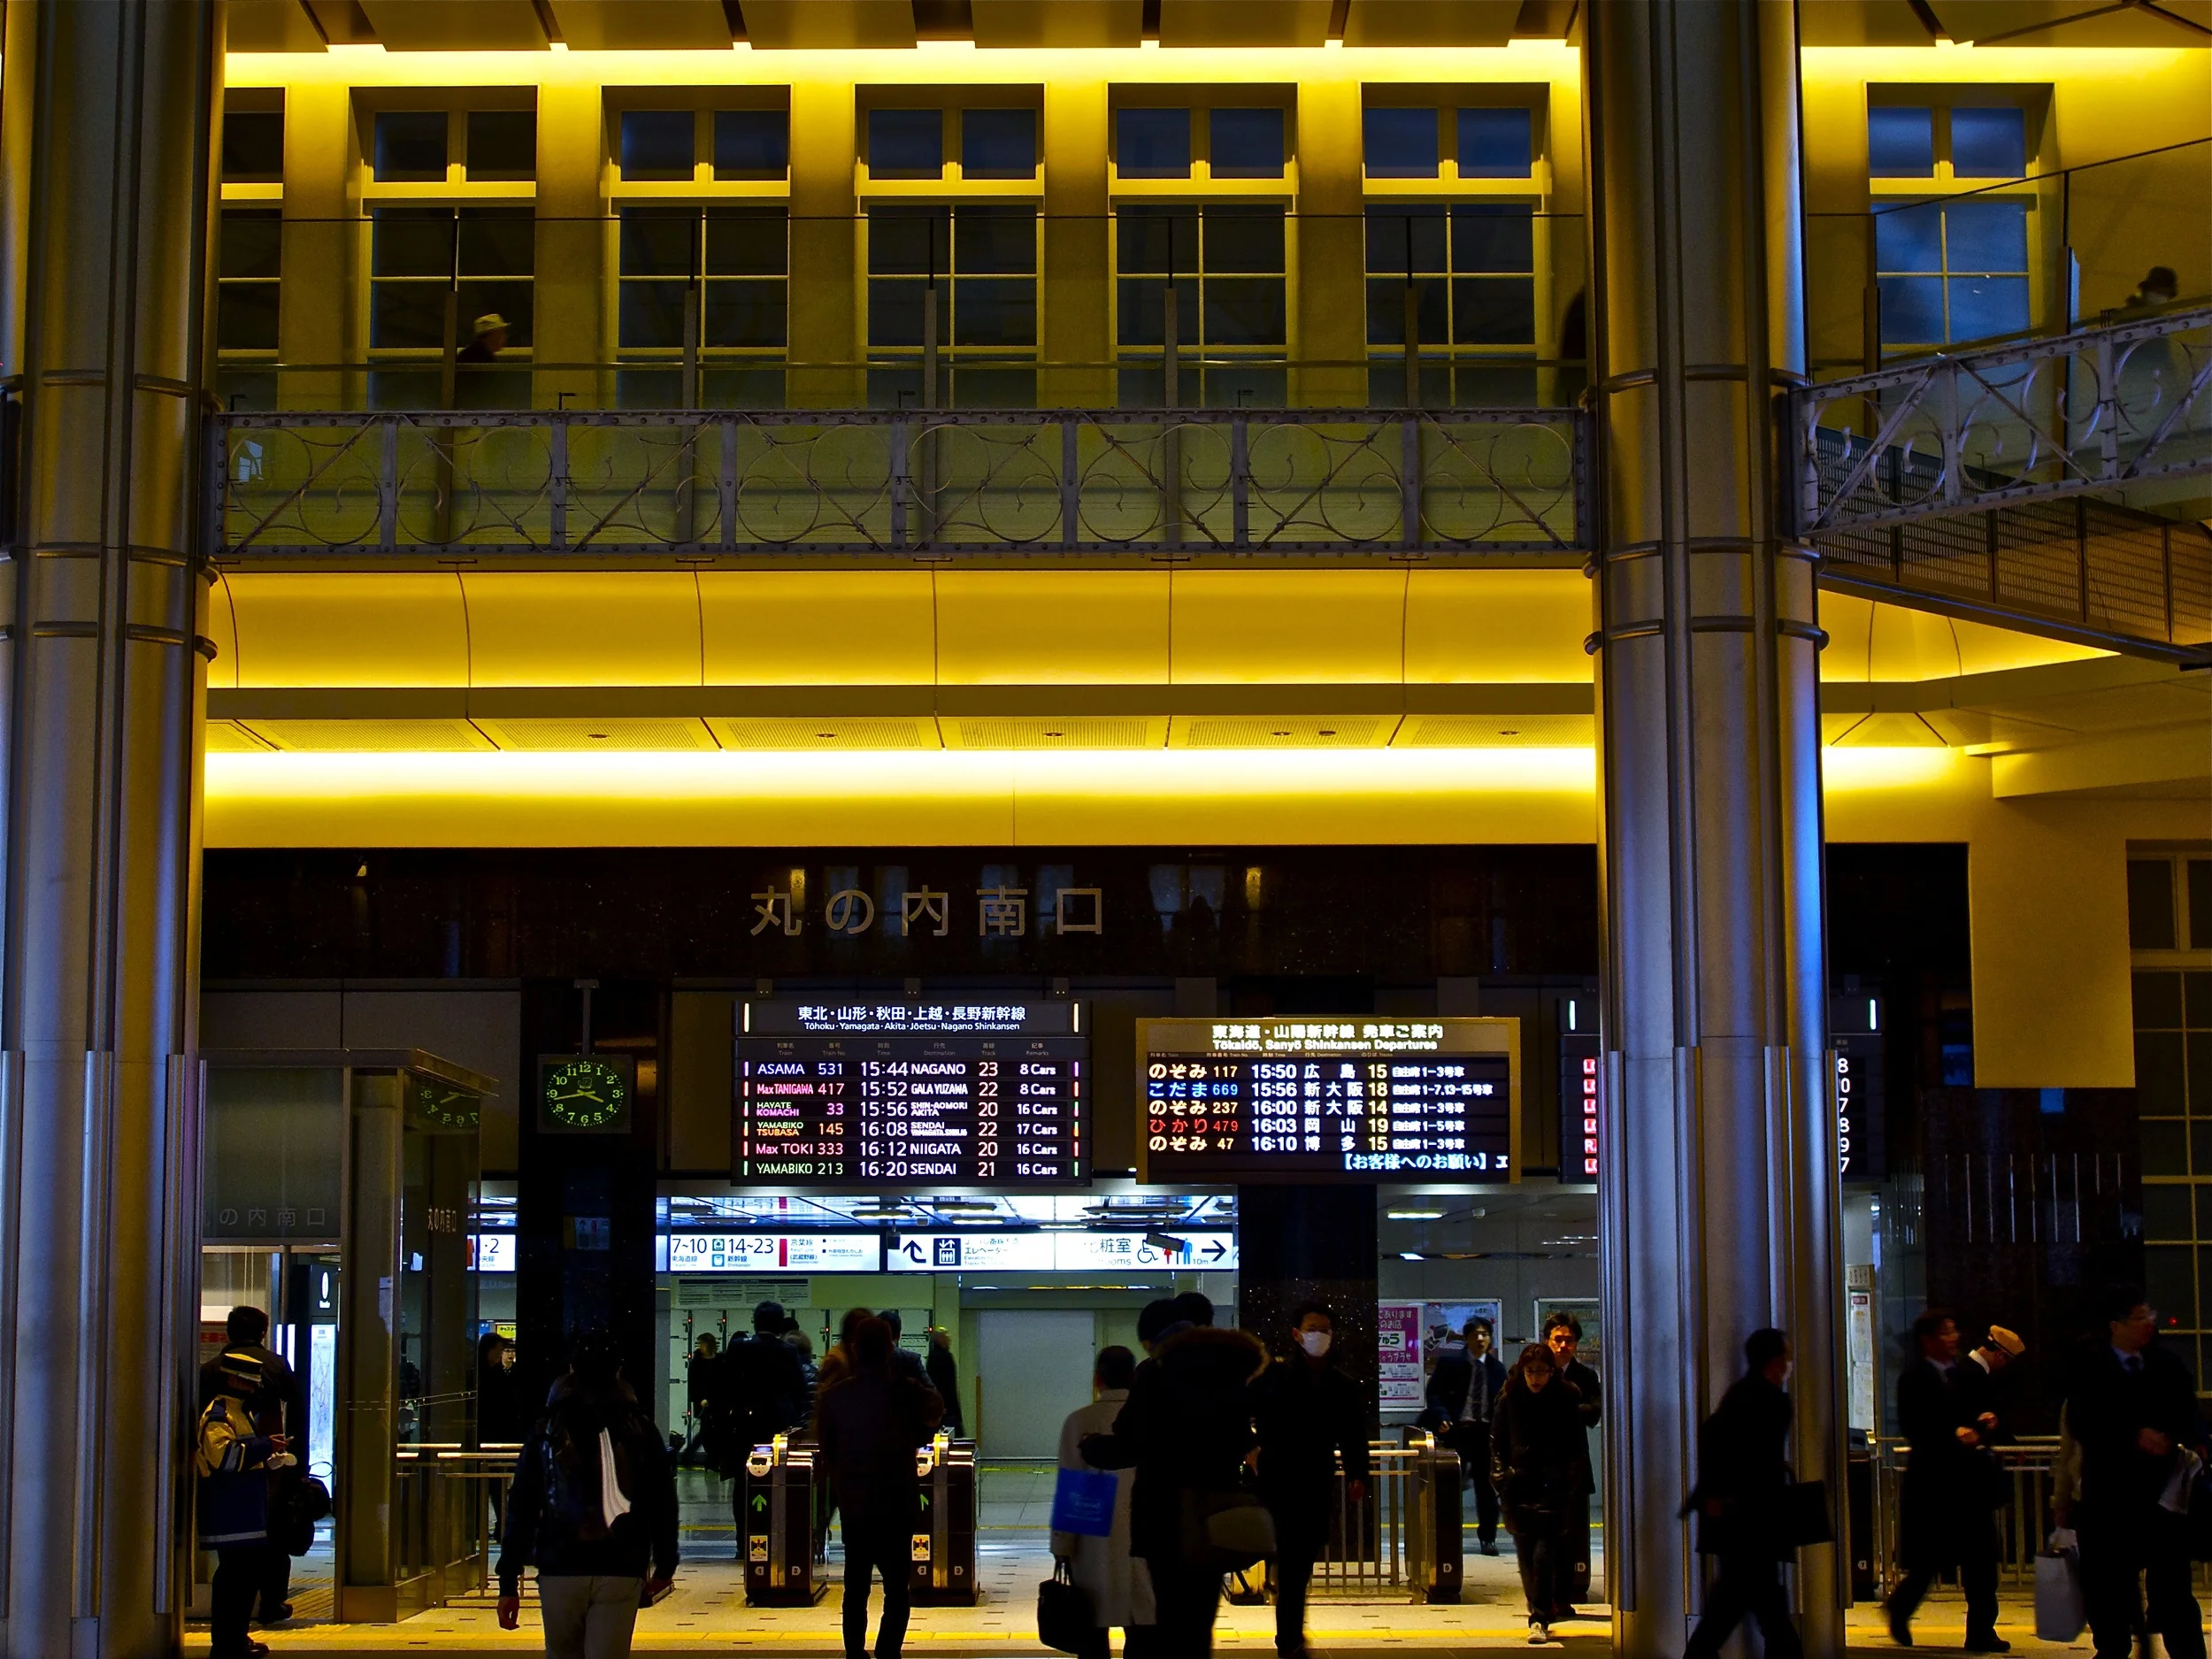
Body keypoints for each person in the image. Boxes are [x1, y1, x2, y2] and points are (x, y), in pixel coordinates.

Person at [1080, 1294, 1269, 1659]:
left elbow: (1131, 1443)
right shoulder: (1231, 1370)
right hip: (1217, 1512)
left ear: (1155, 1339)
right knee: (1200, 1623)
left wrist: (1091, 1447)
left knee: (1170, 1620)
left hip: (1165, 1513)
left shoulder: (1157, 1372)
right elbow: (1241, 1436)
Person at [496, 1330, 679, 1659]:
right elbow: (662, 1501)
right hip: (621, 1564)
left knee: (562, 1652)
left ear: (571, 1369)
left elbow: (521, 1506)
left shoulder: (547, 1428)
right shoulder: (639, 1427)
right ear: (618, 1370)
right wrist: (665, 1563)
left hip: (560, 1565)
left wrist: (509, 1581)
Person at [2062, 1285, 2207, 1659]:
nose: (2147, 1325)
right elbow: (2081, 1422)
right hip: (2108, 1493)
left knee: (2173, 1586)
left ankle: (2186, 1651)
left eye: (2149, 1317)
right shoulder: (2090, 1367)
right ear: (2116, 1325)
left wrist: (2175, 1437)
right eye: (2138, 1318)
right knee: (2108, 1584)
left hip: (2161, 1497)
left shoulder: (2166, 1365)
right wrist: (2133, 1436)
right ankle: (2114, 1646)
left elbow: (2189, 1415)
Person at [817, 1317, 944, 1659]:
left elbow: (826, 1450)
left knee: (855, 1587)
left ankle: (855, 1653)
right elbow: (935, 1412)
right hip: (897, 1503)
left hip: (855, 1506)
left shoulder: (835, 1397)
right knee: (897, 1589)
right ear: (891, 1349)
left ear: (855, 1349)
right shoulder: (905, 1391)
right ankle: (888, 1651)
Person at [1250, 1303, 1371, 1659]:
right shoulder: (1273, 1376)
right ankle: (1289, 1640)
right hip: (1276, 1482)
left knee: (1297, 1567)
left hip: (1316, 1483)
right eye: (1313, 1328)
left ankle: (1289, 1637)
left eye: (1326, 1329)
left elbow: (1353, 1435)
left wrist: (1357, 1474)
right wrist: (1249, 1449)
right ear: (1297, 1334)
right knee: (1290, 1567)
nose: (1320, 1336)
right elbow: (1239, 1411)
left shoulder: (1342, 1384)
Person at [1886, 1308, 2006, 1652]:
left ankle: (1982, 1630)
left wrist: (1987, 1421)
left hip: (1971, 1486)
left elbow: (1988, 1411)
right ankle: (1901, 1607)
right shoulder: (1914, 1377)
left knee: (1982, 1563)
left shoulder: (1965, 1375)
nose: (1953, 1338)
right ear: (1928, 1340)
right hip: (1935, 1486)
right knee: (1927, 1563)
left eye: (1954, 1331)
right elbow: (1916, 1427)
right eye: (1945, 1332)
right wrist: (1953, 1435)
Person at [1682, 1329, 1803, 1659]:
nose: (1789, 1364)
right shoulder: (1772, 1401)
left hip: (1737, 1518)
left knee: (1749, 1601)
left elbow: (1714, 1443)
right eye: (1786, 1357)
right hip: (1753, 1518)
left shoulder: (1738, 1395)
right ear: (1776, 1361)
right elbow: (1757, 1460)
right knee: (1748, 1602)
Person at [198, 1306, 306, 1629]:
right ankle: (270, 1603)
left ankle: (237, 1631)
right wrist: (292, 1459)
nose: (252, 1388)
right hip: (255, 1475)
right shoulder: (273, 1365)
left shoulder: (207, 1370)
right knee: (264, 1544)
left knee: (238, 1563)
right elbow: (297, 1407)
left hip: (224, 1483)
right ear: (263, 1331)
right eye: (248, 1383)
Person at [1052, 1346, 1155, 1659]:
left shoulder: (1080, 1421)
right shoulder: (1152, 1421)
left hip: (1092, 1540)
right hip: (1144, 1538)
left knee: (1092, 1634)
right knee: (1143, 1627)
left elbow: (1072, 1489)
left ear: (1097, 1379)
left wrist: (1062, 1547)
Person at [1490, 1342, 1589, 1647]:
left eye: (1542, 1372)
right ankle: (1536, 1607)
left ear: (1551, 1372)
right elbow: (1497, 1441)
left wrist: (1569, 1480)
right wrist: (1501, 1476)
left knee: (1543, 1554)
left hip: (1553, 1487)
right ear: (1522, 1371)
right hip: (1518, 1484)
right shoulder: (1509, 1398)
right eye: (1530, 1372)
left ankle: (1539, 1617)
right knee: (1526, 1556)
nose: (1536, 1378)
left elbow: (1576, 1445)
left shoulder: (1566, 1398)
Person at [717, 1301, 808, 1561]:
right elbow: (799, 1389)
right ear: (780, 1324)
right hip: (778, 1426)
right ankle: (775, 1535)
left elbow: (725, 1386)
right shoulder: (788, 1351)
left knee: (743, 1484)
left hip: (744, 1425)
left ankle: (743, 1541)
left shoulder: (738, 1348)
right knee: (777, 1480)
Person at [1424, 1316, 1506, 1555]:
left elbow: (1502, 1403)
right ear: (1467, 1338)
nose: (1480, 1339)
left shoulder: (1497, 1368)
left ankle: (1488, 1538)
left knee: (1487, 1489)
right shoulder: (1450, 1363)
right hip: (1457, 1432)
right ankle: (1448, 1536)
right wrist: (1441, 1416)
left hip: (1485, 1435)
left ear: (1490, 1339)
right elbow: (1435, 1394)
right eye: (1474, 1335)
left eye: (1484, 1334)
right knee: (1449, 1486)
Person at [1540, 1311, 1601, 1615]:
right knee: (1543, 1537)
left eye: (1569, 1340)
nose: (1563, 1345)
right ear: (1547, 1341)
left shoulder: (1586, 1377)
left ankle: (1565, 1595)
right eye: (1558, 1339)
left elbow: (1594, 1413)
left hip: (1574, 1468)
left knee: (1572, 1535)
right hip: (1538, 1469)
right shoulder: (1532, 1372)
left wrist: (1566, 1409)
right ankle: (1542, 1596)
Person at [682, 1333, 719, 1463]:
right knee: (706, 1430)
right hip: (703, 1402)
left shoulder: (719, 1359)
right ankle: (692, 1455)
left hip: (716, 1401)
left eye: (703, 1343)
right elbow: (693, 1383)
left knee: (710, 1431)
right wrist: (699, 1399)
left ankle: (692, 1455)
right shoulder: (697, 1362)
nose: (701, 1347)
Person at [926, 1325, 965, 1438]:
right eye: (946, 1336)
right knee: (952, 1438)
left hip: (943, 1406)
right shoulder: (943, 1357)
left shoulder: (933, 1356)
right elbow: (944, 1384)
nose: (949, 1339)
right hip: (947, 1407)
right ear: (939, 1339)